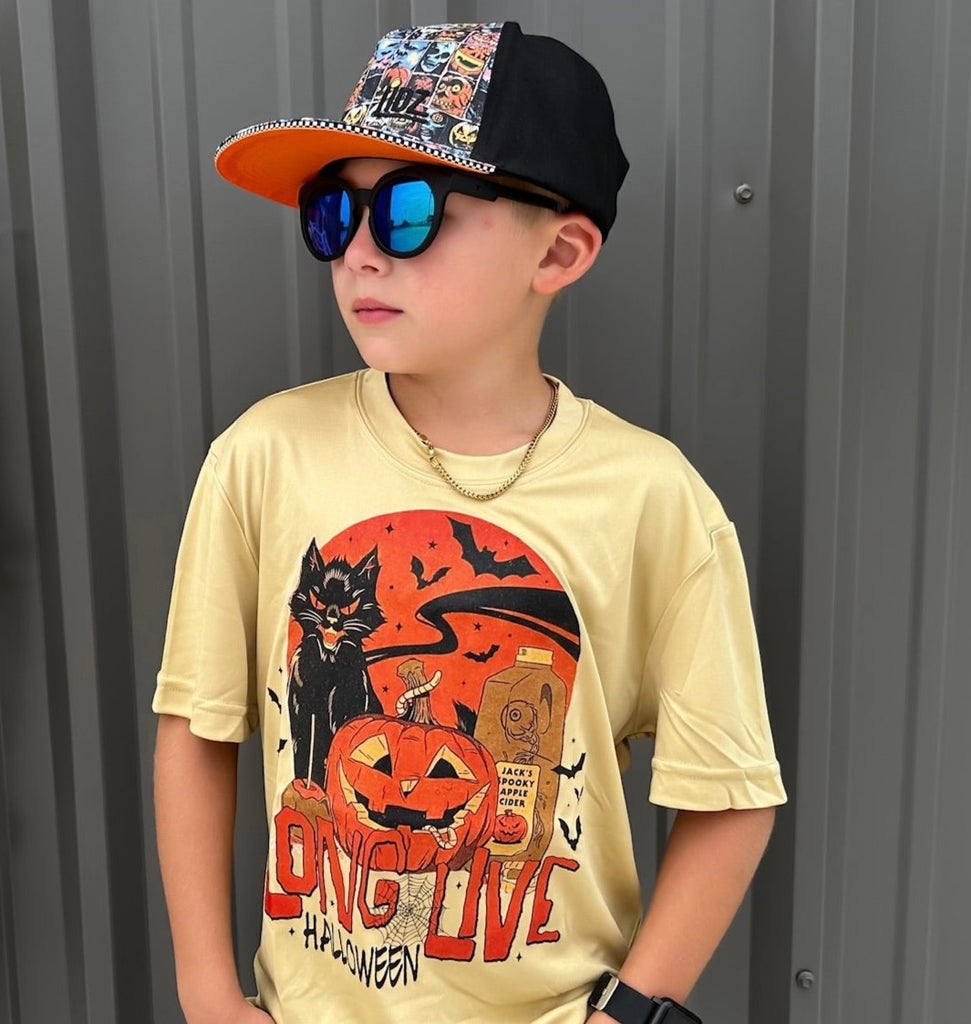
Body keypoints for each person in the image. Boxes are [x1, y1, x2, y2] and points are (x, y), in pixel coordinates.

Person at [151, 20, 787, 1024]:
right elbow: (198, 724)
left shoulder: (651, 499)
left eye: (408, 211)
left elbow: (732, 792)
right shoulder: (264, 458)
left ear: (559, 251)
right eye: (332, 212)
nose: (359, 253)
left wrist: (632, 1015)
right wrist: (205, 993)